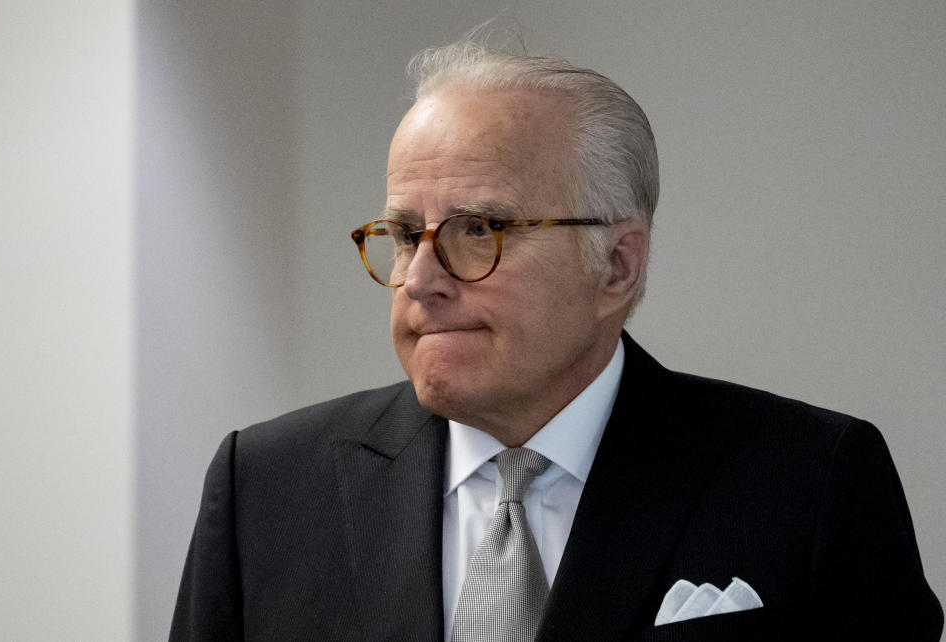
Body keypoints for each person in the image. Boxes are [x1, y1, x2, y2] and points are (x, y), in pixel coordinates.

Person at [170, 38, 943, 641]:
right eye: (405, 235)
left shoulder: (808, 483)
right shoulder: (265, 489)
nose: (422, 279)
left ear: (618, 264)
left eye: (480, 229)